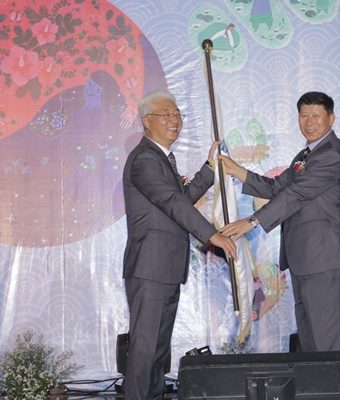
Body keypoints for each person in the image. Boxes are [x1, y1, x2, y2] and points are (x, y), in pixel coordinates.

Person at [219, 91, 340, 352]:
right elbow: (276, 188)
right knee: (311, 345)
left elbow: (296, 194)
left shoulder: (330, 155)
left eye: (316, 115)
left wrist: (252, 221)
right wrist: (236, 169)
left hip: (324, 261)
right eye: (304, 115)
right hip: (304, 260)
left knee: (327, 348)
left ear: (331, 119)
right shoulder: (306, 155)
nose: (309, 122)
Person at [122, 90, 236, 400]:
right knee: (145, 349)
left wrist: (210, 168)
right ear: (147, 121)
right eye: (166, 114)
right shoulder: (145, 159)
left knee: (158, 349)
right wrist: (212, 235)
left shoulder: (160, 159)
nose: (175, 120)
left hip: (165, 268)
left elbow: (180, 201)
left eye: (177, 114)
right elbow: (173, 202)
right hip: (150, 267)